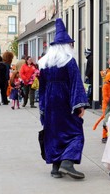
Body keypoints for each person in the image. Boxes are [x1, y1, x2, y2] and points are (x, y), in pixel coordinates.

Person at [38, 18, 89, 179]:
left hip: (51, 103)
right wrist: (79, 105)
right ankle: (67, 162)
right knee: (75, 132)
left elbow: (42, 87)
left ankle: (55, 168)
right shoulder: (69, 62)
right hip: (66, 101)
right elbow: (76, 83)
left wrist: (43, 106)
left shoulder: (45, 63)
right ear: (66, 46)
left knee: (54, 133)